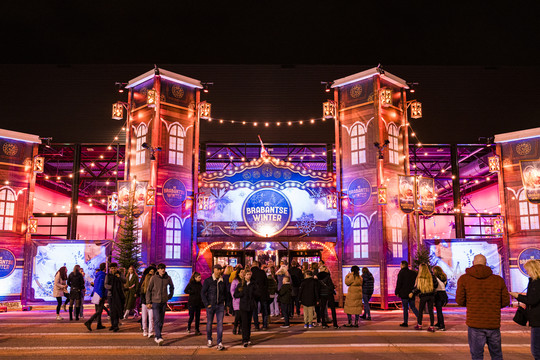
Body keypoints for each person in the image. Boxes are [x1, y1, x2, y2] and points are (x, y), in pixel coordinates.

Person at [456, 254, 510, 360]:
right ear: (486, 264)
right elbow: (505, 301)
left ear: (473, 263)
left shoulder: (464, 279)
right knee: (497, 355)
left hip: (475, 323)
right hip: (493, 323)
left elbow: (460, 300)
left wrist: (473, 304)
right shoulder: (498, 280)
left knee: (477, 356)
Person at [510, 259, 540, 360]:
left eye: (528, 270)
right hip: (536, 319)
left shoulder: (537, 283)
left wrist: (517, 296)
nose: (527, 272)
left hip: (538, 321)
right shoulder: (534, 281)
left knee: (536, 350)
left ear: (533, 269)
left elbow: (532, 300)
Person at [146, 263, 174, 346]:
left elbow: (172, 287)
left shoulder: (168, 278)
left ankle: (158, 335)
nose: (163, 270)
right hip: (155, 302)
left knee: (161, 321)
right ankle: (158, 336)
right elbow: (148, 290)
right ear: (158, 270)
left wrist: (170, 295)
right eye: (161, 268)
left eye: (164, 268)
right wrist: (148, 302)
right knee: (157, 319)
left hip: (163, 302)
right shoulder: (153, 278)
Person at [201, 264, 226, 351]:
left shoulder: (222, 281)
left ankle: (219, 342)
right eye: (218, 269)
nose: (219, 271)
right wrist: (207, 304)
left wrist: (225, 303)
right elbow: (203, 293)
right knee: (209, 323)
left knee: (220, 324)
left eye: (220, 269)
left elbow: (225, 293)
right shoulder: (208, 281)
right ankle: (209, 339)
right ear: (214, 270)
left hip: (220, 305)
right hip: (211, 305)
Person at [410, 264, 438, 332]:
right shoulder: (431, 276)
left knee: (420, 311)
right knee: (431, 311)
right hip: (431, 295)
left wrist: (413, 292)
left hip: (423, 295)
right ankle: (431, 326)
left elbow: (417, 288)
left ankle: (419, 325)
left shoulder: (419, 278)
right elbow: (436, 285)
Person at [234, 269, 257, 347]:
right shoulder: (241, 284)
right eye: (247, 274)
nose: (249, 276)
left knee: (249, 323)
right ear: (244, 275)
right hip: (243, 306)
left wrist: (254, 295)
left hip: (250, 306)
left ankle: (248, 338)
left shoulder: (253, 284)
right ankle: (244, 340)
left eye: (250, 274)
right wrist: (242, 294)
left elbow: (258, 293)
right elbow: (235, 294)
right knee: (244, 323)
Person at [395, 260, 419, 327]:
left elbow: (399, 283)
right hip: (411, 293)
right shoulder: (413, 273)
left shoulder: (401, 273)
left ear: (402, 265)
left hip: (404, 293)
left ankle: (405, 322)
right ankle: (419, 318)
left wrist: (397, 292)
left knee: (405, 308)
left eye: (400, 265)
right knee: (413, 307)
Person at [84, 263, 107, 331]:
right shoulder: (102, 275)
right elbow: (100, 286)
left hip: (96, 294)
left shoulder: (98, 275)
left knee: (98, 310)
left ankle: (99, 324)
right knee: (99, 310)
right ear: (105, 268)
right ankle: (89, 321)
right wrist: (101, 295)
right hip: (99, 294)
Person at [105, 263, 126, 332]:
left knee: (117, 310)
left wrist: (119, 277)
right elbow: (105, 284)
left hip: (119, 295)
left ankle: (116, 325)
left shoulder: (120, 274)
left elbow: (124, 281)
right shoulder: (108, 275)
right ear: (110, 269)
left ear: (117, 268)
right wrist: (111, 287)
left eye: (114, 268)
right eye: (112, 268)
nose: (113, 269)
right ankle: (112, 324)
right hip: (111, 295)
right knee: (112, 311)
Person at [250, 261, 269, 331]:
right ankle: (264, 325)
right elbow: (266, 283)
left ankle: (256, 325)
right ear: (258, 265)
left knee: (254, 310)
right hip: (263, 293)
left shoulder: (250, 273)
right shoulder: (262, 272)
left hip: (254, 293)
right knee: (264, 309)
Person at [139, 266, 156, 337]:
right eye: (150, 272)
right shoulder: (144, 283)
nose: (151, 273)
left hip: (151, 302)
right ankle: (145, 330)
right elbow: (142, 293)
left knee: (151, 318)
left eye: (153, 272)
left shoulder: (155, 282)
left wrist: (151, 302)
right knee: (144, 318)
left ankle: (150, 332)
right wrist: (145, 302)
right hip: (145, 302)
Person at [433, 265, 448, 331]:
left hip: (438, 294)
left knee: (439, 311)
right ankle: (439, 323)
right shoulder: (444, 277)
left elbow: (435, 286)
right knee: (439, 310)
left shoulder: (435, 277)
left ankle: (442, 325)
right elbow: (445, 285)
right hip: (444, 294)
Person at [230, 269, 245, 335]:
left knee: (242, 316)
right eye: (241, 272)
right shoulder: (235, 281)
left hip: (243, 301)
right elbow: (232, 290)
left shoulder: (245, 280)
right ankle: (235, 326)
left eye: (243, 272)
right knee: (238, 316)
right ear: (238, 273)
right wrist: (234, 297)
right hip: (237, 301)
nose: (242, 273)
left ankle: (240, 328)